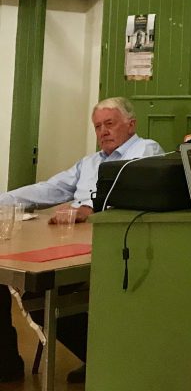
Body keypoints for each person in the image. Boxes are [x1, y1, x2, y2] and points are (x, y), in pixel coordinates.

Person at [0, 96, 162, 383]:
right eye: (98, 127)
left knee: (42, 296)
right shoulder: (89, 163)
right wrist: (4, 201)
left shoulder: (145, 151)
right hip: (69, 243)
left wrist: (89, 209)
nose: (103, 132)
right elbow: (48, 189)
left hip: (117, 245)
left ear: (131, 124)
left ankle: (106, 358)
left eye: (109, 124)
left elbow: (139, 195)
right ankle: (6, 363)